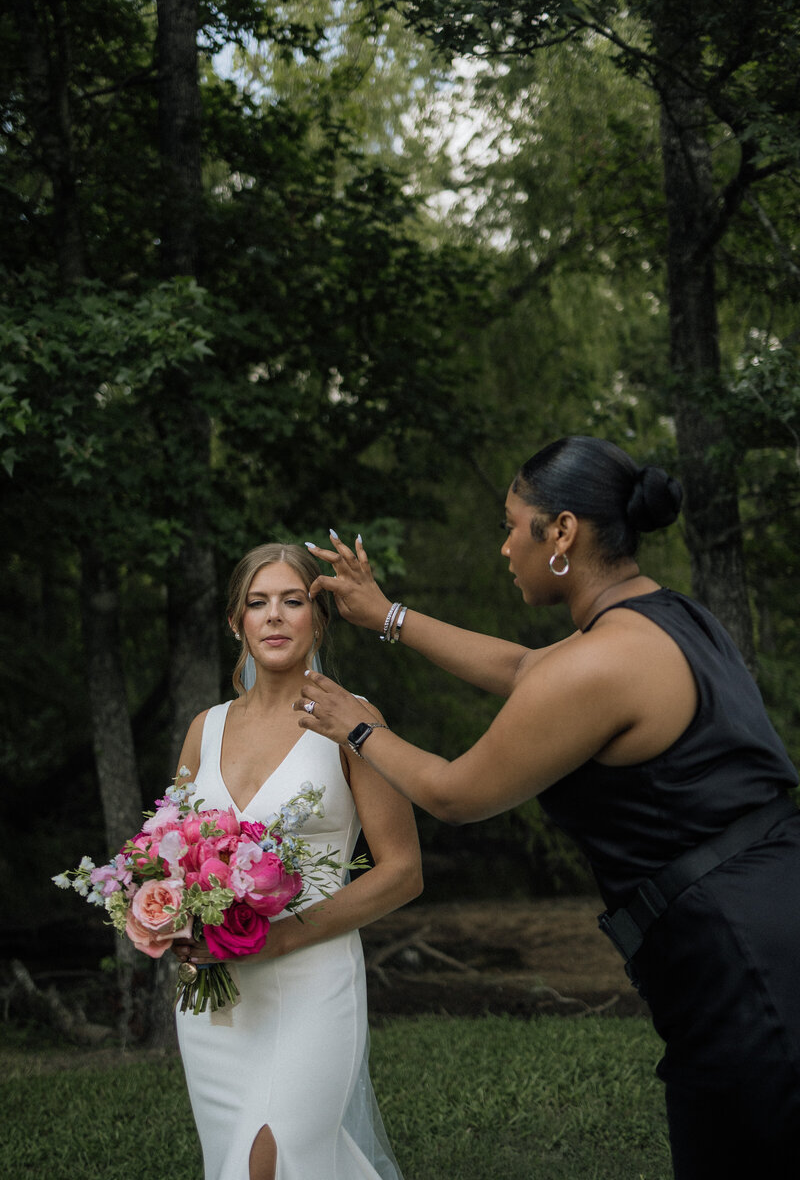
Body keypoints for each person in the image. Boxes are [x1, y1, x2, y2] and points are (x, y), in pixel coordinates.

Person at [295, 436, 800, 1180]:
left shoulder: (600, 662)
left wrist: (358, 727)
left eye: (511, 524)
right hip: (768, 916)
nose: (504, 547)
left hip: (744, 959)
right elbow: (525, 668)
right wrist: (388, 616)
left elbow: (454, 793)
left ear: (560, 532)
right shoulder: (663, 618)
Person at [171, 542, 423, 1180]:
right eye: (258, 604)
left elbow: (403, 871)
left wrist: (281, 939)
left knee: (277, 1160)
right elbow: (167, 855)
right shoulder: (206, 728)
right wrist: (169, 922)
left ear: (320, 620)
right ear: (237, 623)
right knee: (236, 1163)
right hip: (215, 998)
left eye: (293, 602)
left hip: (311, 978)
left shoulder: (353, 719)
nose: (275, 617)